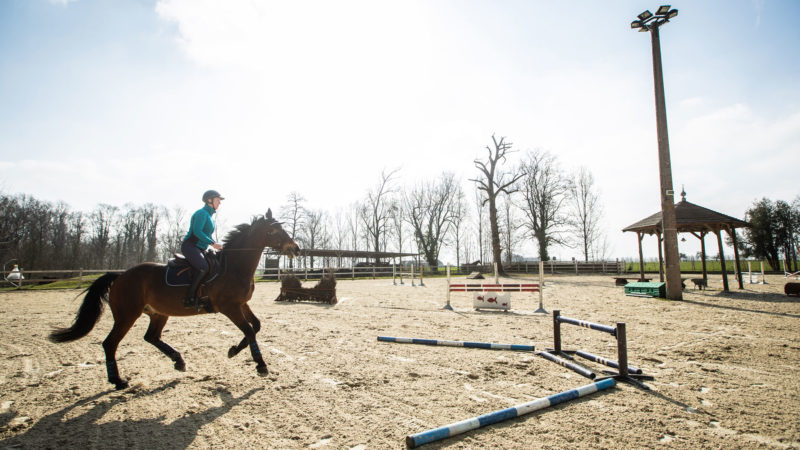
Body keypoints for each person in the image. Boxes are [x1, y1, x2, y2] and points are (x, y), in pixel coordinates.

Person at [182, 190, 224, 308]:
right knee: (203, 267)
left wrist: (216, 245)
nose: (219, 203)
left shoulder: (210, 217)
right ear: (209, 200)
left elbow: (207, 235)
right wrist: (212, 243)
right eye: (218, 200)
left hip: (200, 248)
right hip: (190, 246)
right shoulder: (201, 213)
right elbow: (197, 232)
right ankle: (189, 298)